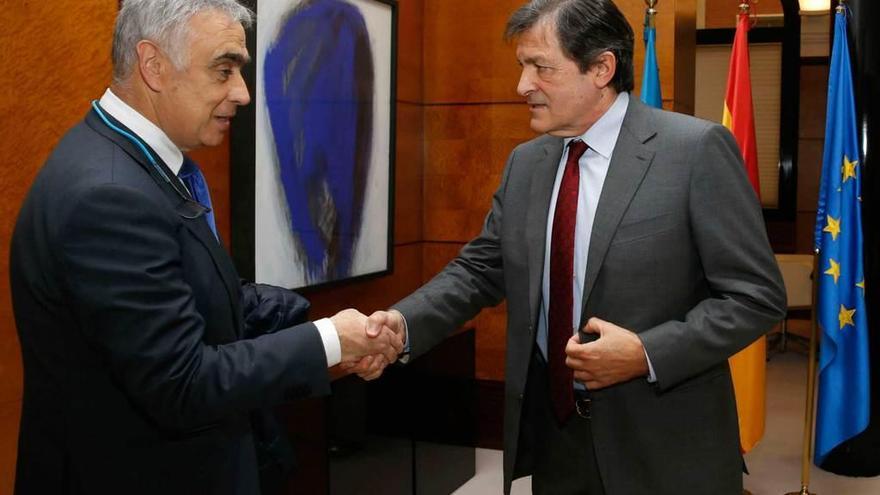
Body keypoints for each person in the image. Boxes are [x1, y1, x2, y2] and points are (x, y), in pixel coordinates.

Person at [364, 0, 786, 493]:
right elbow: (481, 269)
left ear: (602, 68)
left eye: (540, 67)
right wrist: (402, 323)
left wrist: (646, 352)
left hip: (662, 441)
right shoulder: (526, 162)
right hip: (555, 435)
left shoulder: (694, 151)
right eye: (522, 66)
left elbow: (756, 297)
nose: (522, 85)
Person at [9, 1, 399, 494]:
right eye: (224, 69)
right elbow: (183, 382)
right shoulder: (108, 195)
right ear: (153, 65)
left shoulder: (138, 165)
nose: (242, 92)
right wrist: (331, 341)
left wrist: (339, 326)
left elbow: (198, 295)